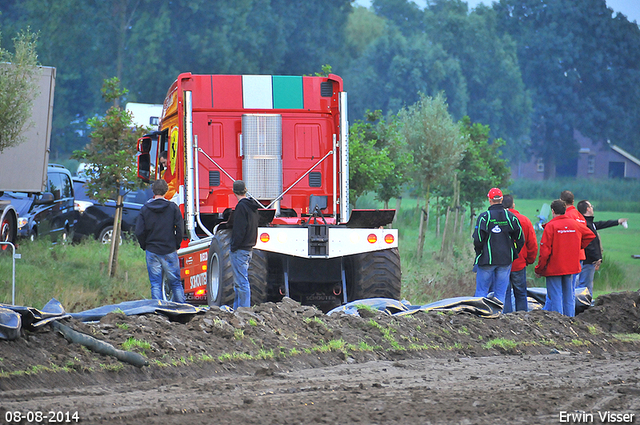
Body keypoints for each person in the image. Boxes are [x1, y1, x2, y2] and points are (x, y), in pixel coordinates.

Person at [534, 200, 595, 316]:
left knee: (556, 295)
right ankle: (570, 321)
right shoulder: (575, 224)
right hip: (571, 266)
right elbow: (590, 235)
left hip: (554, 268)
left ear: (553, 211)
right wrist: (578, 246)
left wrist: (539, 269)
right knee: (569, 295)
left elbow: (545, 251)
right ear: (564, 210)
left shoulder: (551, 226)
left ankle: (559, 323)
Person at [134, 179, 185, 303]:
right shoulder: (173, 208)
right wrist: (176, 244)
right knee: (175, 283)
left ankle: (158, 311)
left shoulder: (145, 208)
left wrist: (144, 245)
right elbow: (180, 228)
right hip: (169, 249)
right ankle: (182, 309)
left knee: (155, 284)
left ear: (153, 190)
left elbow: (139, 231)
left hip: (152, 250)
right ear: (166, 191)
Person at [473, 188, 524, 308]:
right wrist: (513, 253)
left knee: (481, 292)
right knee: (500, 293)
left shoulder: (484, 217)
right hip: (505, 261)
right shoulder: (510, 217)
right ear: (501, 199)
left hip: (486, 260)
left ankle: (479, 319)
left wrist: (480, 253)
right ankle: (498, 319)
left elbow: (478, 239)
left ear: (489, 200)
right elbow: (520, 238)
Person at [576, 200, 628, 296]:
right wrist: (597, 258)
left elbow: (600, 224)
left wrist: (617, 222)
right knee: (585, 287)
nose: (592, 208)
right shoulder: (586, 224)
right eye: (591, 206)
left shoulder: (588, 223)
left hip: (588, 261)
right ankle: (583, 307)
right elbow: (589, 244)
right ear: (588, 209)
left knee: (585, 285)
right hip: (588, 261)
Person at [501, 194, 538, 313]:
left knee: (505, 293)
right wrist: (529, 260)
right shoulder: (525, 220)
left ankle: (505, 319)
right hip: (519, 263)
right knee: (521, 293)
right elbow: (532, 244)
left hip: (502, 263)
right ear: (513, 204)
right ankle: (522, 319)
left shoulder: (497, 220)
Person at [230, 180, 259, 309]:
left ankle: (244, 310)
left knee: (241, 282)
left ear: (234, 192)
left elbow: (239, 229)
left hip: (240, 250)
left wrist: (234, 246)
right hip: (249, 248)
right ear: (245, 190)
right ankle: (238, 309)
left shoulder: (241, 207)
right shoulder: (253, 207)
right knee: (240, 282)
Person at [560, 190, 588, 287]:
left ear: (561, 201)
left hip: (569, 256)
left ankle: (567, 302)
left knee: (567, 287)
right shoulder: (580, 216)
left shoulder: (565, 216)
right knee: (573, 286)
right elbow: (586, 235)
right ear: (573, 201)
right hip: (579, 254)